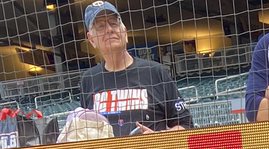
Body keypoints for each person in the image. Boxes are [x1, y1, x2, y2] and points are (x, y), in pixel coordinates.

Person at [80, 2, 193, 136]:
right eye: (101, 26)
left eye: (114, 23)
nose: (109, 29)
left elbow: (187, 125)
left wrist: (160, 137)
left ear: (125, 32)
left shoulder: (155, 72)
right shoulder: (89, 80)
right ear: (91, 39)